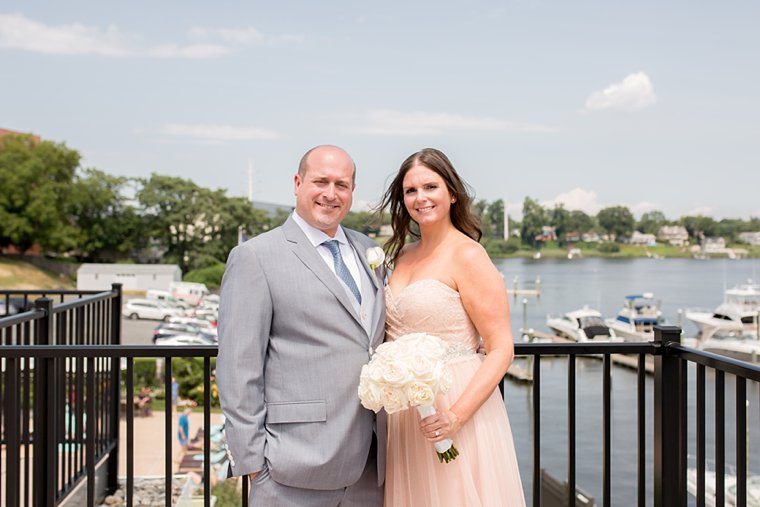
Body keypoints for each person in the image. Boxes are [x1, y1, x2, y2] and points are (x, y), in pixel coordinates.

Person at [217, 145, 387, 507]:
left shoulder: (368, 249)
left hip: (372, 466)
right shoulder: (255, 257)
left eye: (341, 184)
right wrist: (252, 462)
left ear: (352, 192)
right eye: (320, 181)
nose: (331, 193)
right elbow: (237, 366)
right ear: (297, 183)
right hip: (291, 467)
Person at [378, 148, 525, 506]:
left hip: (457, 404)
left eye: (431, 186)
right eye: (410, 191)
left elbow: (502, 348)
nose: (420, 198)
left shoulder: (469, 255)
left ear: (452, 193)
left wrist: (455, 416)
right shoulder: (399, 256)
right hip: (405, 412)